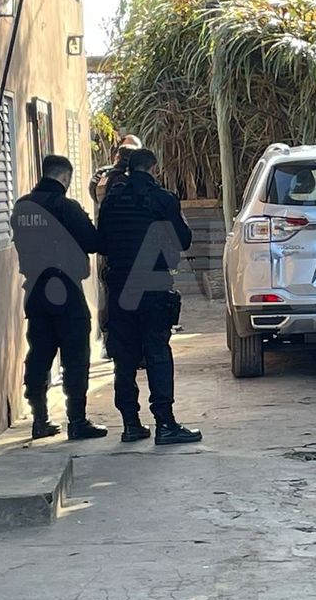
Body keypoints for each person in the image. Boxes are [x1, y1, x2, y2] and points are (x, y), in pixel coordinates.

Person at [98, 148, 201, 445]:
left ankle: (130, 424)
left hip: (120, 286)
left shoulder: (112, 199)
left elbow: (102, 243)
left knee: (124, 356)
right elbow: (183, 241)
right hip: (153, 283)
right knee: (157, 352)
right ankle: (165, 424)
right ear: (154, 169)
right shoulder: (162, 199)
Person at [12, 155, 107, 441]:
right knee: (75, 355)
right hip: (66, 289)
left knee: (39, 354)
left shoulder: (22, 208)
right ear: (65, 177)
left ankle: (39, 419)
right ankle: (76, 421)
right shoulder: (67, 207)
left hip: (35, 290)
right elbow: (94, 242)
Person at [90, 134, 142, 358]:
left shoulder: (114, 178)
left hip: (125, 250)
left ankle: (125, 345)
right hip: (119, 250)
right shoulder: (108, 177)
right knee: (112, 295)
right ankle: (112, 340)